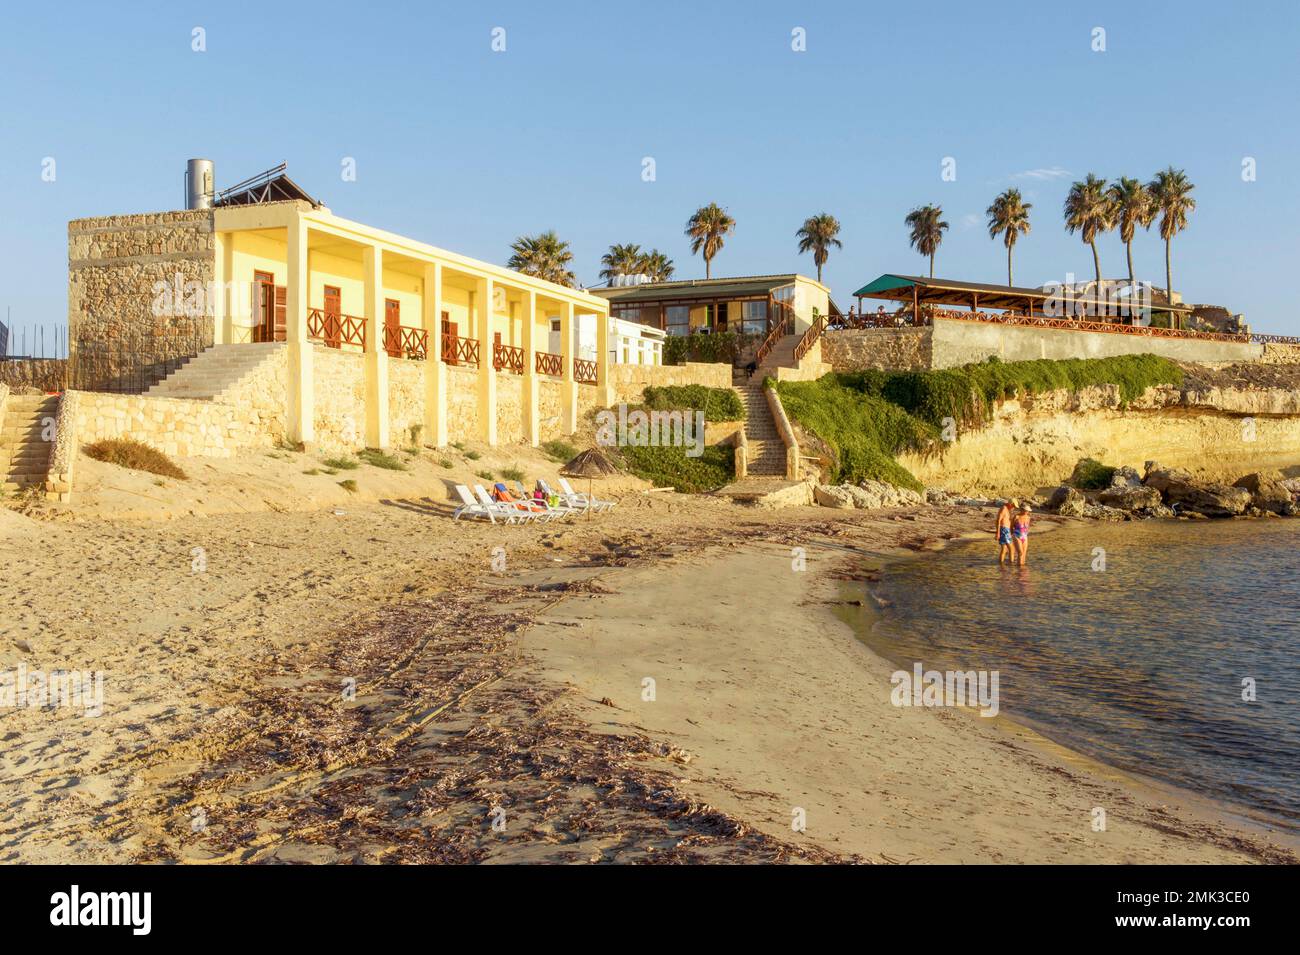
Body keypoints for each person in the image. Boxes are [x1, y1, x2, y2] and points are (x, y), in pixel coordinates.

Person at [995, 498, 1018, 565]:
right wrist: (998, 533)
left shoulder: (1007, 509)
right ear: (1011, 504)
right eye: (1013, 506)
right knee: (1012, 549)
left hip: (1005, 530)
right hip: (1004, 530)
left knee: (1004, 549)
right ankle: (1011, 565)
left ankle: (1001, 565)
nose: (1014, 508)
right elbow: (998, 521)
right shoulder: (1004, 509)